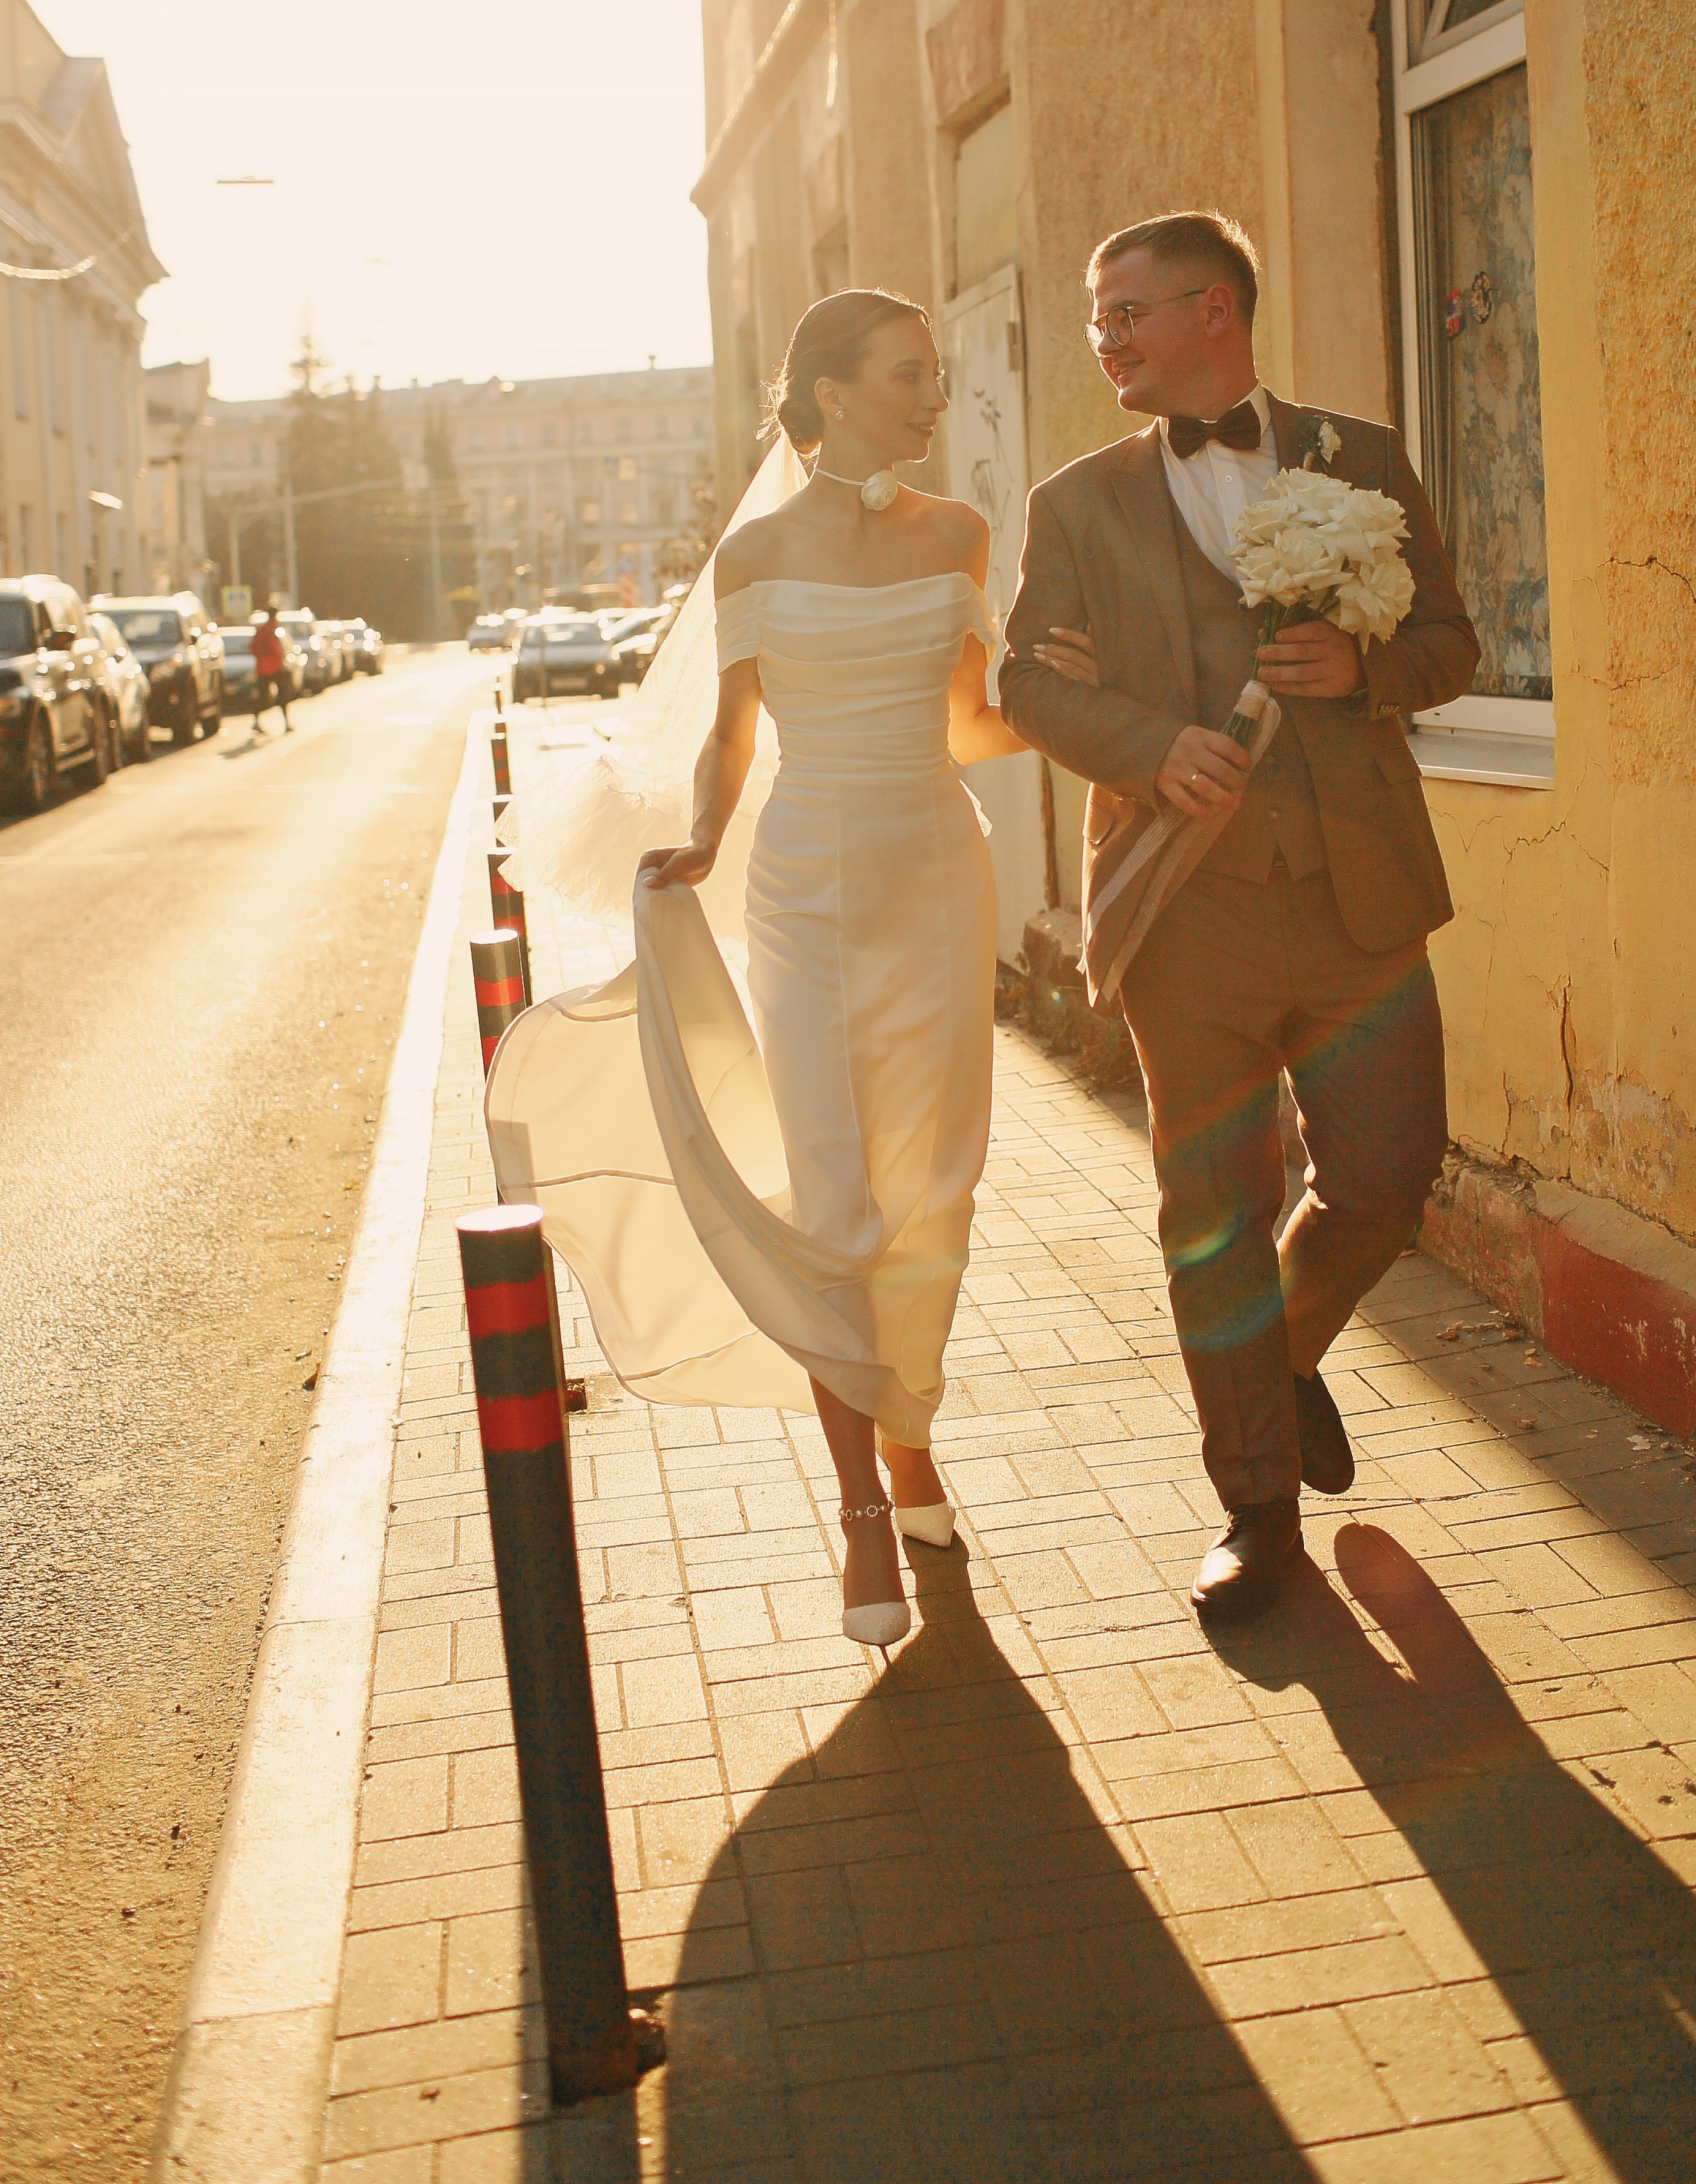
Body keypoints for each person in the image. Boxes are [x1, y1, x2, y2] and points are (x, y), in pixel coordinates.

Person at [489, 291, 1095, 1659]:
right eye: (907, 376)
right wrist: (703, 836)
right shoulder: (756, 553)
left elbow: (974, 725)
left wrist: (1077, 703)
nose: (933, 398)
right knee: (835, 1196)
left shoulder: (959, 534)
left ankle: (913, 1436)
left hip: (938, 872)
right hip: (805, 889)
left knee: (937, 1187)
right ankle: (861, 1507)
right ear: (826, 395)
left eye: (939, 375)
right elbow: (732, 732)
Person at [998, 213, 1479, 1627]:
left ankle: (1279, 1363)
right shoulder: (1076, 504)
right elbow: (1029, 685)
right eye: (1097, 318)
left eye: (1128, 311)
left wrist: (1366, 661)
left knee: (1392, 1174)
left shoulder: (1361, 459)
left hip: (1361, 900)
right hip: (1185, 914)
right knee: (1211, 1212)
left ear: (1216, 309)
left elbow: (1454, 641)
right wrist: (1144, 745)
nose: (1106, 339)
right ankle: (1255, 1507)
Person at [251, 605, 291, 735]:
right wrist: (280, 659)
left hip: (263, 668)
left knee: (264, 696)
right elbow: (275, 649)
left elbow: (253, 648)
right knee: (282, 695)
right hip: (274, 667)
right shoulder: (271, 630)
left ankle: (256, 722)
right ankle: (286, 723)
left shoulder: (262, 630)